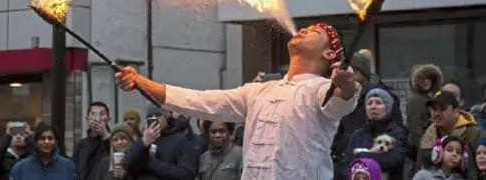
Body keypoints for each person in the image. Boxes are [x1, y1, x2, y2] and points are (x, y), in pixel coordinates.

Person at [115, 23, 362, 179]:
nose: (304, 30)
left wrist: (345, 80)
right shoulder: (258, 91)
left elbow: (344, 98)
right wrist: (139, 81)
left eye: (315, 32)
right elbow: (197, 101)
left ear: (328, 53)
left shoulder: (320, 89)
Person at [333, 50, 403, 180]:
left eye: (352, 70)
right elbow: (339, 135)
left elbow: (396, 154)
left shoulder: (387, 98)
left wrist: (364, 156)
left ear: (362, 71)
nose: (373, 106)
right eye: (370, 103)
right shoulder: (347, 97)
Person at [343, 88, 407, 180]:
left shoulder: (397, 133)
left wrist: (362, 155)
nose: (373, 106)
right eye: (369, 103)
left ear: (387, 107)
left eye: (378, 103)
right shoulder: (358, 134)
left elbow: (394, 160)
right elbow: (347, 163)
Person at [122, 103, 198, 180]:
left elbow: (186, 175)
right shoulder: (142, 140)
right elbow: (127, 166)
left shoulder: (181, 141)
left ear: (166, 117)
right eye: (149, 116)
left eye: (157, 115)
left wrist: (153, 163)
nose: (153, 119)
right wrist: (143, 143)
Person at [418, 90, 482, 176]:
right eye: (433, 109)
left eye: (442, 109)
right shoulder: (427, 137)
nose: (436, 114)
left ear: (456, 112)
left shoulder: (474, 134)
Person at [9, 122, 77, 180]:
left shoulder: (68, 166)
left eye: (50, 138)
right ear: (36, 141)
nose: (46, 142)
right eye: (42, 138)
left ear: (56, 142)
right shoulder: (20, 168)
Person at [407, 64, 443, 164]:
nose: (425, 81)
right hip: (421, 146)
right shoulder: (414, 98)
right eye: (421, 78)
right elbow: (416, 128)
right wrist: (425, 150)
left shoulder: (427, 96)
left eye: (428, 78)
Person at [74, 102, 112, 180]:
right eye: (94, 114)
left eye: (101, 114)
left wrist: (105, 136)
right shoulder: (81, 145)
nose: (98, 118)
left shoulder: (115, 141)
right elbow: (74, 170)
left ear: (108, 119)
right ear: (87, 118)